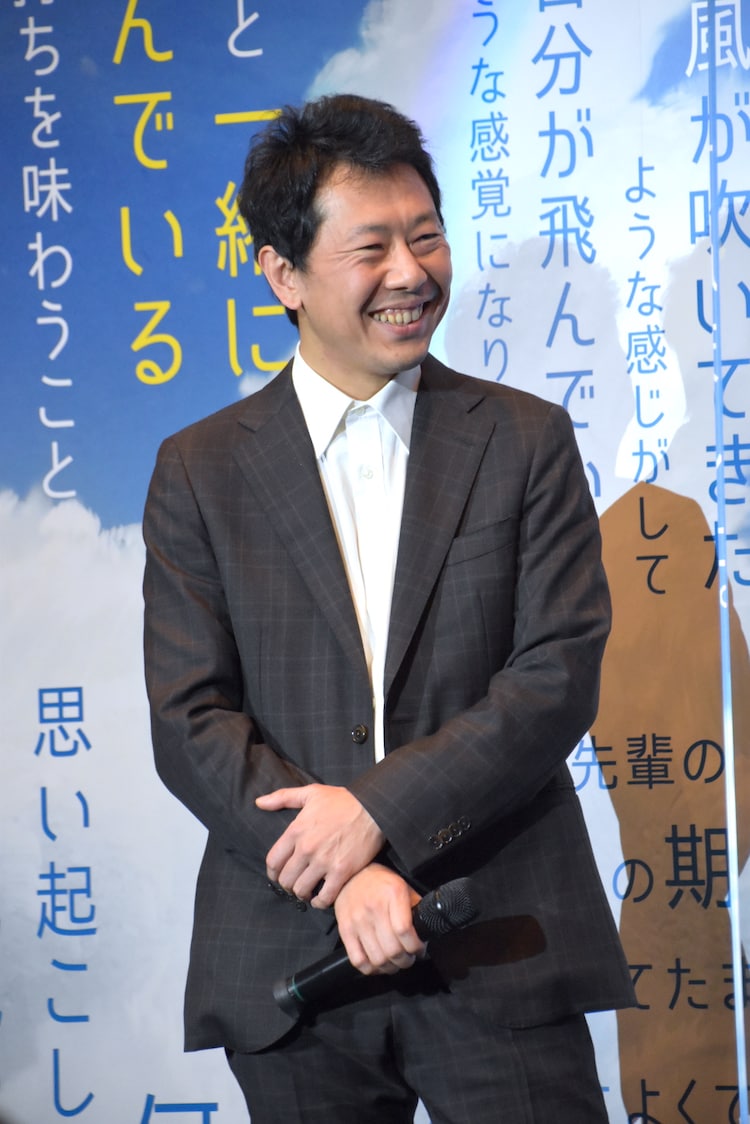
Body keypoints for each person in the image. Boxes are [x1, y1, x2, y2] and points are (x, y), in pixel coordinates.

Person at [142, 93, 635, 1123]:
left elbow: (554, 676)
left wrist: (374, 818)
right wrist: (341, 873)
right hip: (292, 961)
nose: (411, 273)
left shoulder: (524, 439)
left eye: (427, 237)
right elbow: (192, 719)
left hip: (498, 936)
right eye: (372, 248)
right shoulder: (199, 470)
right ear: (283, 274)